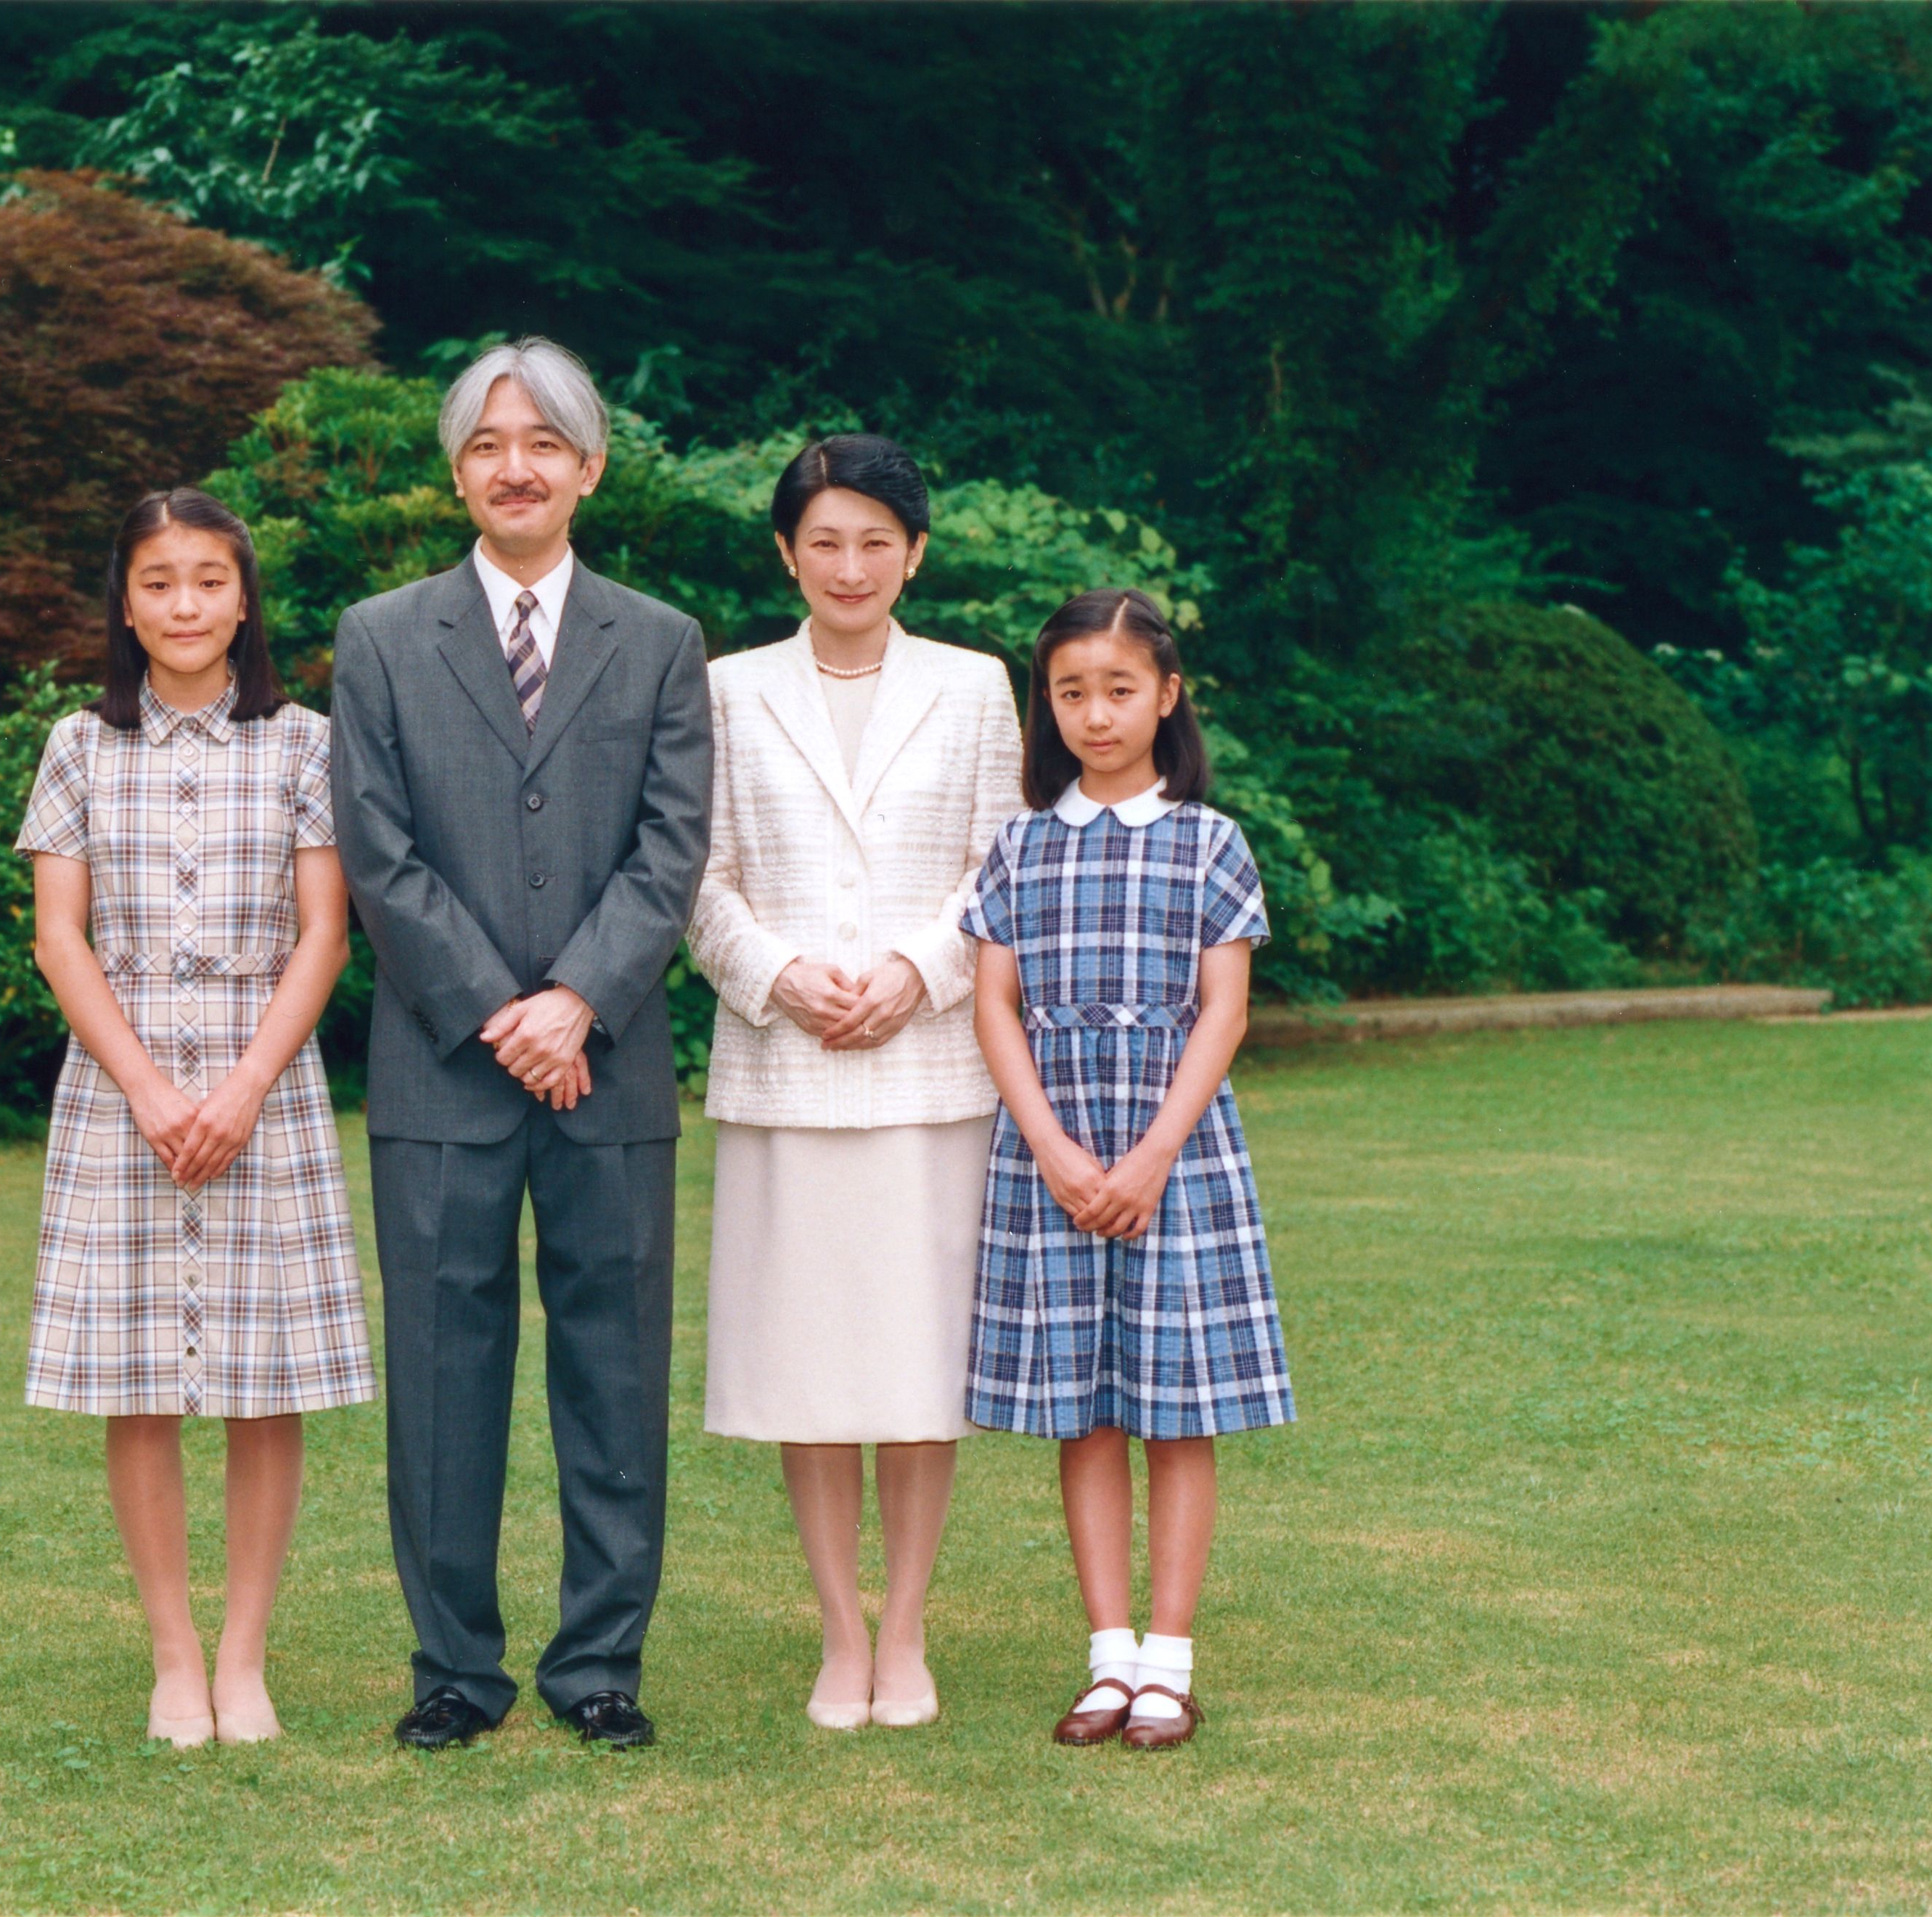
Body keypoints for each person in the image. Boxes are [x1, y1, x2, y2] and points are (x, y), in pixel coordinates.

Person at [331, 337, 712, 1752]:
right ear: (456, 473)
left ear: (589, 466)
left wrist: (579, 1003)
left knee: (612, 1372)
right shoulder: (380, 637)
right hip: (441, 1072)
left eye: (543, 442)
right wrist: (503, 1008)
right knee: (443, 1372)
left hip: (608, 1071)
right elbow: (377, 850)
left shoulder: (662, 641)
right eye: (490, 443)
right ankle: (453, 1667)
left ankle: (599, 1661)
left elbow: (671, 851)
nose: (515, 465)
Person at [16, 487, 372, 1751]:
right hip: (121, 1088)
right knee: (140, 1381)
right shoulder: (75, 744)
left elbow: (324, 932)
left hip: (264, 1082)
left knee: (263, 1381)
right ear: (126, 600)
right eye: (160, 582)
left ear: (243, 596)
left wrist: (240, 1088)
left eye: (209, 580)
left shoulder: (305, 743)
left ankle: (243, 1655)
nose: (185, 605)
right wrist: (155, 1090)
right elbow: (63, 939)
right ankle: (172, 1655)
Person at [686, 435, 1023, 1731]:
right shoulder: (725, 689)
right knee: (808, 1366)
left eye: (876, 540)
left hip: (932, 1070)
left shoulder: (978, 686)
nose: (850, 564)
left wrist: (915, 968)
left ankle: (911, 1627)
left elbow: (999, 867)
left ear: (916, 552)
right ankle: (839, 1629)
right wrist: (776, 973)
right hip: (784, 1067)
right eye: (824, 540)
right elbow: (696, 874)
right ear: (786, 551)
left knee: (916, 1364)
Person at [961, 586, 1295, 1752]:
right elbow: (994, 1005)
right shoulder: (1018, 843)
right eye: (1070, 693)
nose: (1095, 714)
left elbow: (1223, 1010)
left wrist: (1151, 1153)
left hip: (1177, 1149)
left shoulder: (1212, 841)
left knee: (1174, 1404)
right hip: (1048, 1148)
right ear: (1046, 706)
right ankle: (1106, 1659)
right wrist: (1053, 1144)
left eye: (1118, 689)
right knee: (1085, 1408)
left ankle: (1170, 1659)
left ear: (1166, 694)